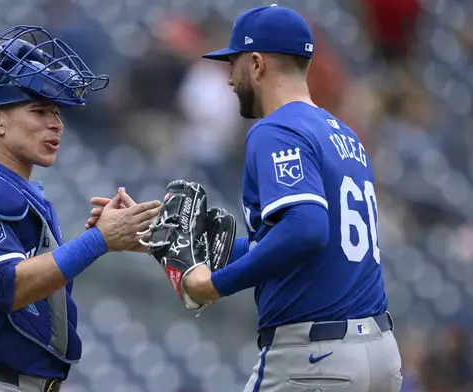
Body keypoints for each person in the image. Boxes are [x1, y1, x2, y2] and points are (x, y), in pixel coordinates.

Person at [89, 5, 403, 392]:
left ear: (256, 63)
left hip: (314, 358)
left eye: (233, 64)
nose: (229, 79)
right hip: (379, 355)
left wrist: (214, 285)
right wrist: (163, 236)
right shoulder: (344, 136)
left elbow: (305, 229)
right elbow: (290, 243)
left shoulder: (276, 129)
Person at [0, 25, 161, 392]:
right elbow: (7, 285)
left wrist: (102, 238)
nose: (55, 123)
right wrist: (99, 241)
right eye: (39, 110)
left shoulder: (18, 192)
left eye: (56, 111)